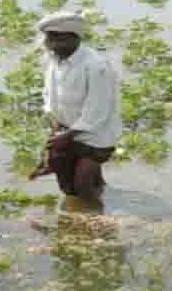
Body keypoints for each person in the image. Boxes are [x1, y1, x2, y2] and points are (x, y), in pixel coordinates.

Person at [28, 11, 122, 202]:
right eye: (48, 39)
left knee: (82, 184)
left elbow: (98, 110)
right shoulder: (54, 59)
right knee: (68, 188)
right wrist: (54, 123)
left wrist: (68, 135)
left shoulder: (96, 66)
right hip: (65, 130)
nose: (49, 45)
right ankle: (104, 197)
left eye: (55, 40)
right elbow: (49, 93)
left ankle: (95, 219)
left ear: (72, 38)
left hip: (95, 134)